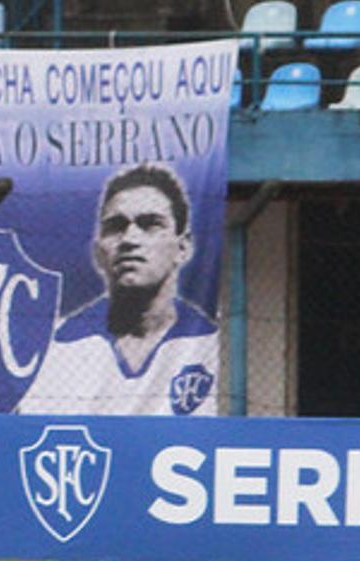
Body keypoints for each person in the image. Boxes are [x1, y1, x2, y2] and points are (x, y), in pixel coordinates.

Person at [15, 163, 219, 417]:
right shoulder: (59, 345)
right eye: (116, 226)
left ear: (183, 247)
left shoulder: (209, 341)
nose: (130, 239)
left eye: (150, 224)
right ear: (98, 252)